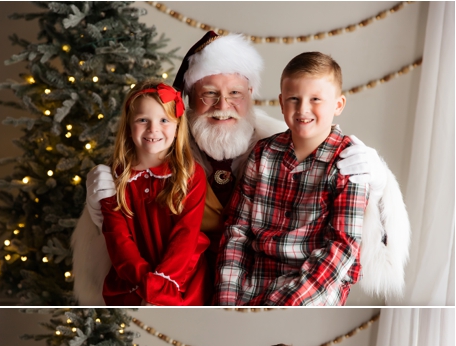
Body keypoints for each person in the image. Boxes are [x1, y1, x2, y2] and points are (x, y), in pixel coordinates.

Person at [75, 32, 409, 304]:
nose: (223, 106)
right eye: (209, 94)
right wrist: (100, 207)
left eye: (235, 93)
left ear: (251, 95)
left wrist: (378, 179)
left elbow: (345, 246)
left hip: (286, 290)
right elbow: (127, 229)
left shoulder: (283, 143)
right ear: (188, 101)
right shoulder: (160, 148)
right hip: (188, 290)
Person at [215, 52, 368, 305]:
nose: (303, 109)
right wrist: (227, 297)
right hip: (255, 281)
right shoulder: (263, 153)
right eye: (293, 99)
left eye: (316, 99)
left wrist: (286, 302)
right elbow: (237, 231)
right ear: (282, 103)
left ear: (338, 105)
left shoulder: (348, 162)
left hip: (314, 286)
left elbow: (342, 248)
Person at [99, 81, 211, 305]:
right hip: (133, 277)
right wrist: (145, 283)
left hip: (181, 275)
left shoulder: (191, 174)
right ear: (129, 126)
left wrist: (162, 283)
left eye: (164, 120)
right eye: (143, 120)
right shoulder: (114, 177)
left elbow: (185, 235)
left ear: (177, 126)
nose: (153, 129)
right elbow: (118, 238)